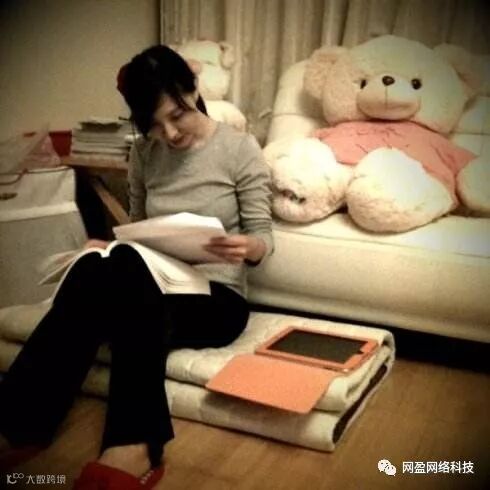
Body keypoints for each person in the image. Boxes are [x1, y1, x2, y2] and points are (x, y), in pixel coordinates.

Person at [0, 44, 273, 489]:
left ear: (192, 88)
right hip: (152, 285)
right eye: (154, 124)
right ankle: (19, 423)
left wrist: (250, 246)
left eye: (177, 115)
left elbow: (264, 237)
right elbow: (140, 226)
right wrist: (108, 245)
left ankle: (132, 440)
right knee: (96, 266)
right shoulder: (145, 152)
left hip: (217, 299)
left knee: (123, 279)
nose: (169, 133)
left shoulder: (239, 148)